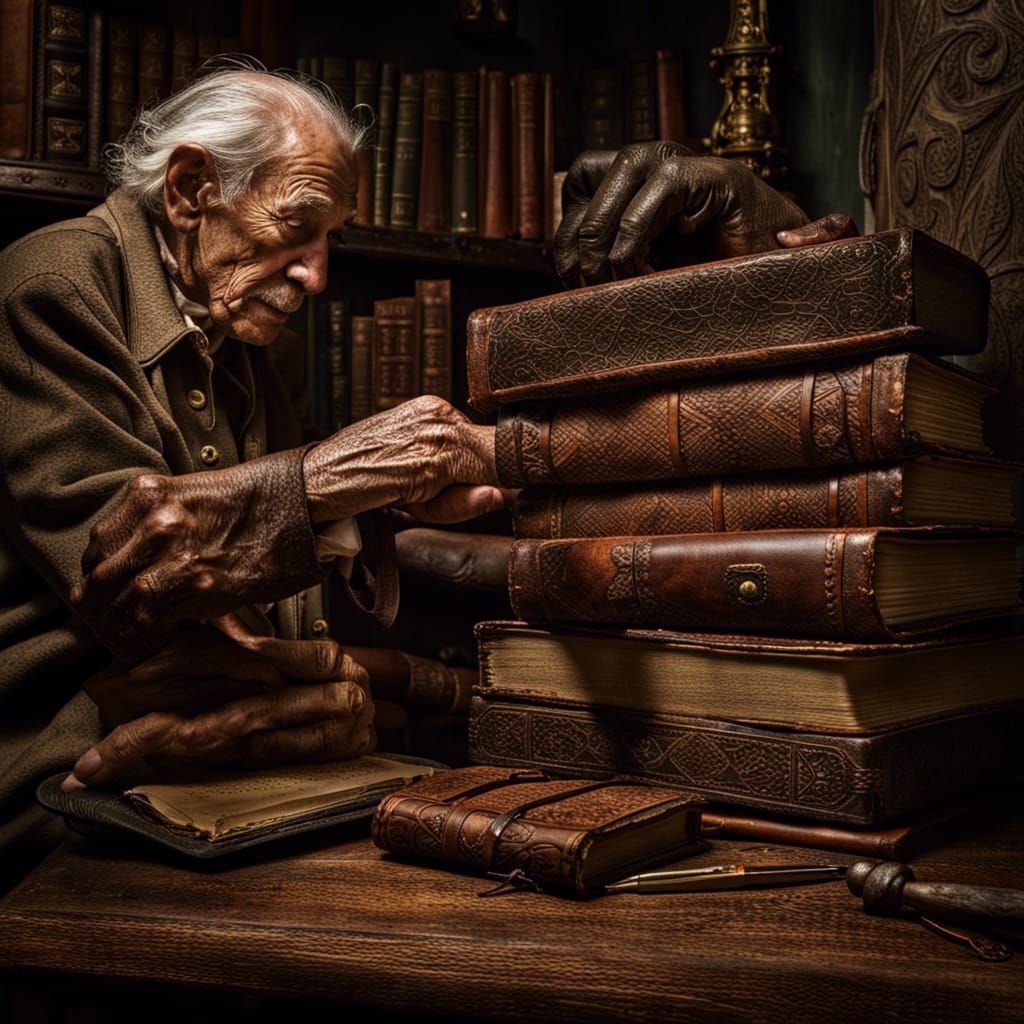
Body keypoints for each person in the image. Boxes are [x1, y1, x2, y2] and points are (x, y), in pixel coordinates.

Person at [0, 63, 852, 881]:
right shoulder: (53, 286)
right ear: (190, 191)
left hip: (225, 767)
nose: (316, 274)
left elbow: (271, 614)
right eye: (296, 227)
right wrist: (355, 475)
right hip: (68, 777)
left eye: (331, 239)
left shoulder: (258, 348)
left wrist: (378, 502)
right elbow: (133, 574)